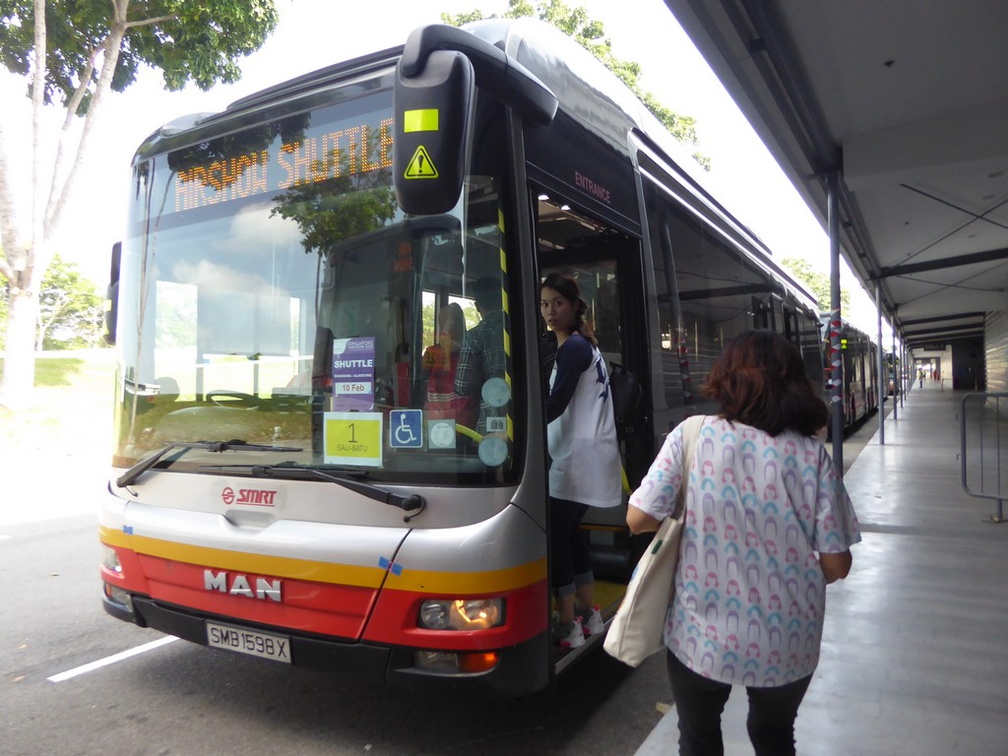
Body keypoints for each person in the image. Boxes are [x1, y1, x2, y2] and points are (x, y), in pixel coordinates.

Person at [626, 330, 860, 755]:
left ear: (726, 378)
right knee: (774, 738)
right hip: (789, 637)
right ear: (794, 384)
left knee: (697, 737)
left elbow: (638, 518)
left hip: (701, 635)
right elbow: (837, 565)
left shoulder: (692, 435)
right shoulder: (812, 457)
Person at [540, 272, 623, 649]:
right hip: (588, 457)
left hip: (575, 460)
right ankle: (589, 615)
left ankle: (567, 623)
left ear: (575, 306)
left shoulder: (572, 348)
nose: (550, 311)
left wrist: (514, 428)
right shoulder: (584, 345)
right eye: (544, 304)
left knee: (556, 536)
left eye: (558, 303)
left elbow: (555, 404)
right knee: (571, 533)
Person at [454, 277, 507, 434]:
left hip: (492, 420)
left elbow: (462, 386)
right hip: (528, 416)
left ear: (477, 307)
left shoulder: (476, 335)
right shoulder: (524, 328)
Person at [422, 302, 473, 426]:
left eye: (456, 326)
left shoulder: (471, 351)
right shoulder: (432, 353)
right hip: (436, 417)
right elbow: (421, 382)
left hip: (466, 416)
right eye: (448, 326)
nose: (452, 332)